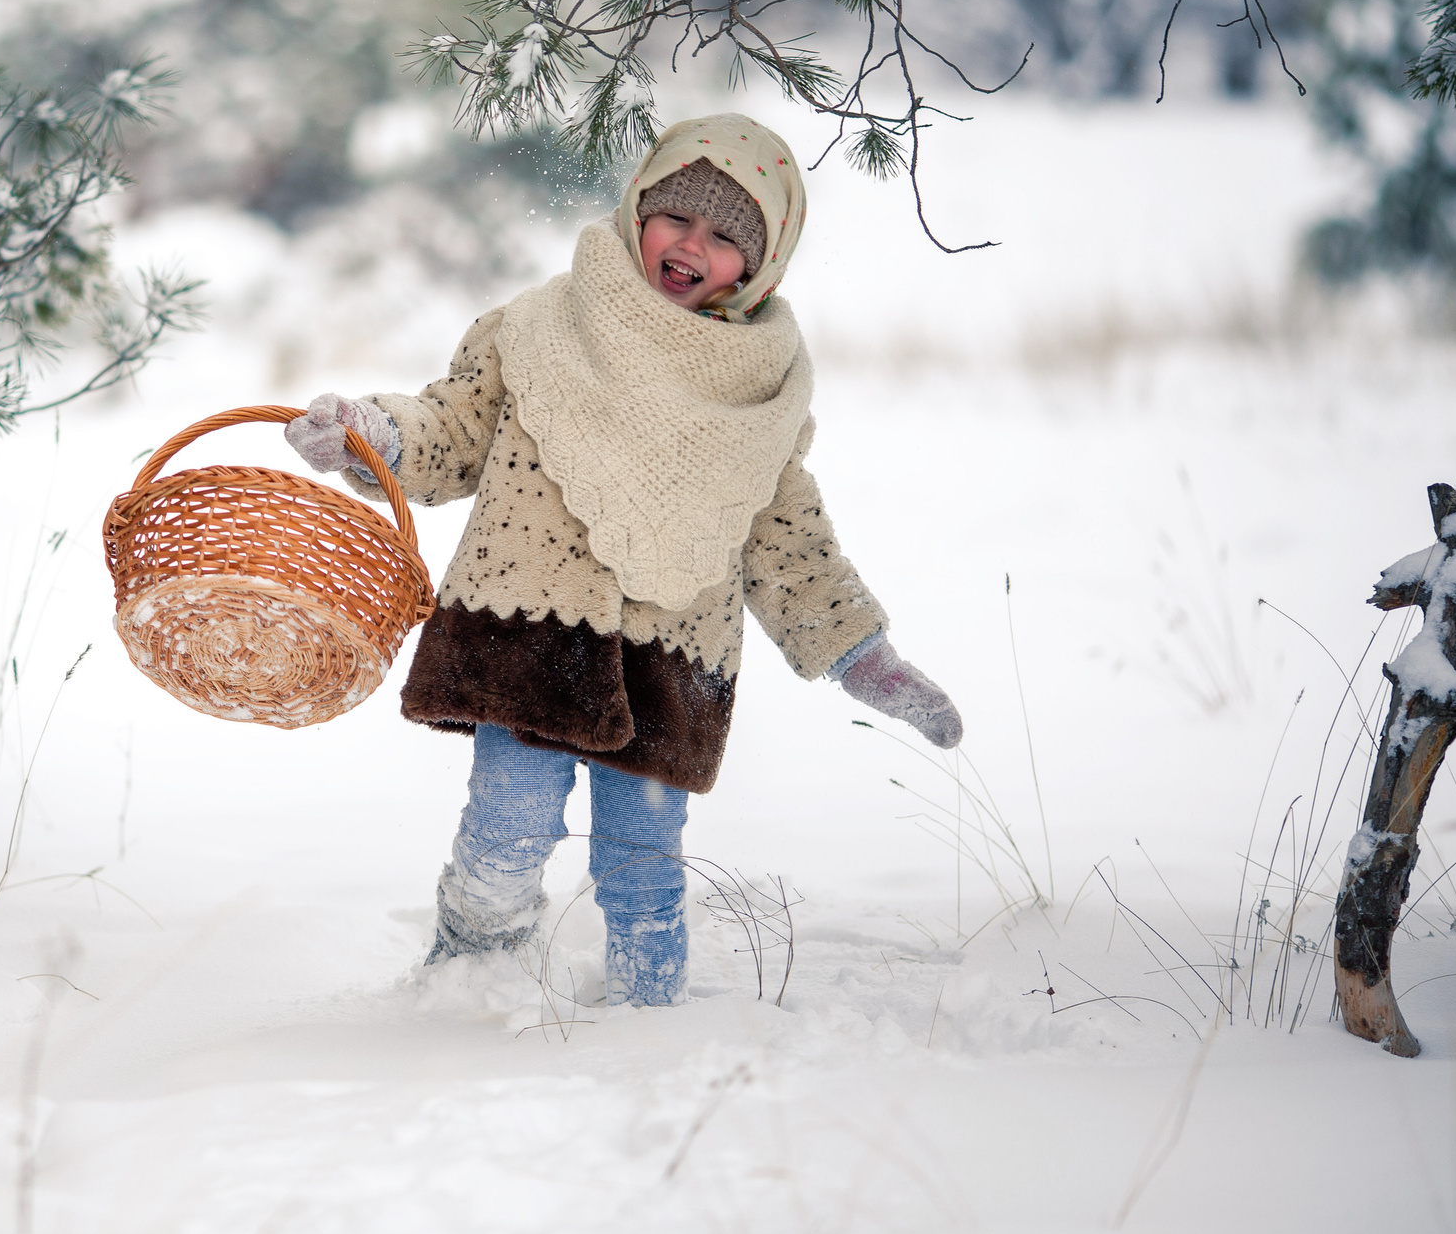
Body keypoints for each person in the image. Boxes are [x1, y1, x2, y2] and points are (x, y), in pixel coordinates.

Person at [283, 113, 962, 1007]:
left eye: (727, 236)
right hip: (524, 630)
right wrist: (373, 436)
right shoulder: (534, 328)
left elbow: (789, 543)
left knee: (643, 862)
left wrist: (860, 653)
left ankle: (647, 1016)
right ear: (638, 204)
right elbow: (450, 428)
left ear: (760, 266)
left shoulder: (761, 394)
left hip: (671, 660)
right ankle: (462, 995)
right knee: (504, 832)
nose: (692, 245)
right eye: (677, 216)